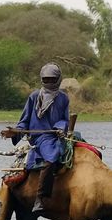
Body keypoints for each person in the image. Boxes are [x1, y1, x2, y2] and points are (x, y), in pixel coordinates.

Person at [4, 63, 71, 212]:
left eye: (52, 79)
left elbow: (65, 119)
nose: (48, 83)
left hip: (56, 135)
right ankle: (40, 197)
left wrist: (60, 128)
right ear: (41, 79)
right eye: (46, 79)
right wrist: (15, 132)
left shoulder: (63, 98)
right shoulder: (34, 96)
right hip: (40, 137)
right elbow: (24, 121)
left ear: (58, 79)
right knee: (52, 157)